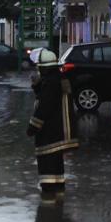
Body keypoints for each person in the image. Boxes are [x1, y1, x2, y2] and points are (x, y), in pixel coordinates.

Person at [26, 48, 78, 200]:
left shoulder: (51, 83)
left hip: (51, 131)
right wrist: (37, 86)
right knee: (56, 163)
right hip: (61, 130)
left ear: (44, 67)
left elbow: (44, 107)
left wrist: (32, 127)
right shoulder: (58, 78)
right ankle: (58, 197)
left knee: (47, 162)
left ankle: (48, 206)